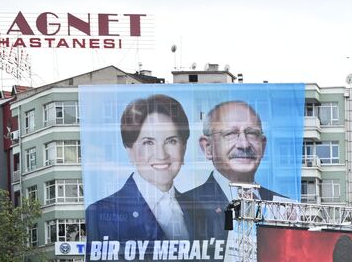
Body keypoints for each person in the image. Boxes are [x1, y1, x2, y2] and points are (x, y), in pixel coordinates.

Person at [86, 94, 196, 244]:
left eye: (171, 141)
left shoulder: (200, 210)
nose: (161, 155)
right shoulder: (102, 214)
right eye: (148, 143)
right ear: (129, 150)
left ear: (184, 147)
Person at [181, 99, 284, 237]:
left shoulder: (283, 206)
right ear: (208, 147)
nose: (244, 144)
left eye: (252, 133)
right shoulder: (184, 206)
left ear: (263, 145)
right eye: (230, 134)